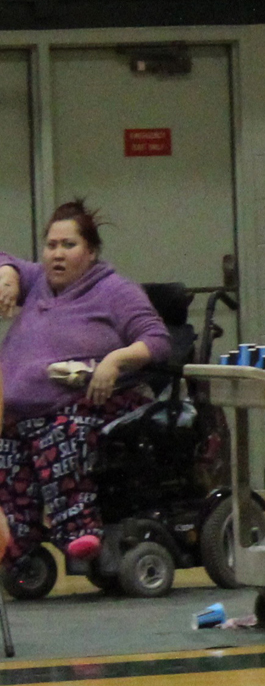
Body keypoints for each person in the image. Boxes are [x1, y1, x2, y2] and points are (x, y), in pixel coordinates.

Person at [0, 201, 170, 569]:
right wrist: (9, 276)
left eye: (68, 245)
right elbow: (3, 257)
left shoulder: (115, 291)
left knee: (59, 433)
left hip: (86, 404)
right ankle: (17, 540)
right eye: (51, 245)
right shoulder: (38, 281)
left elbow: (156, 339)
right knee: (9, 453)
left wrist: (115, 360)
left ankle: (78, 527)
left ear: (91, 252)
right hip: (19, 415)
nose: (56, 254)